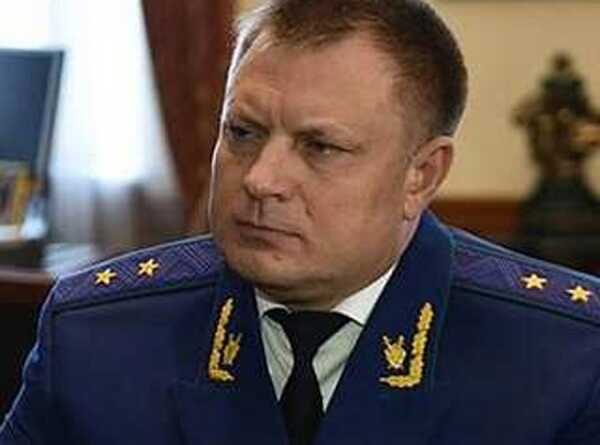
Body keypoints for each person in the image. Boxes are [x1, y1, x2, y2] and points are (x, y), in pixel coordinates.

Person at [1, 0, 599, 443]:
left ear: (421, 175)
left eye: (320, 147)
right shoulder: (96, 337)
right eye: (243, 132)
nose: (261, 179)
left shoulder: (569, 359)